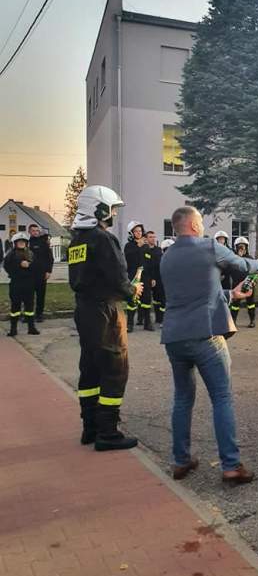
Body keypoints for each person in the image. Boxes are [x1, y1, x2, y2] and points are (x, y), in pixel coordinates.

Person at [161, 206, 258, 485]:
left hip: (174, 337)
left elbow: (192, 294)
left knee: (182, 399)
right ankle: (231, 465)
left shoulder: (167, 256)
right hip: (206, 336)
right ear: (194, 226)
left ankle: (181, 460)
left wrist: (230, 294)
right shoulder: (209, 246)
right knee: (221, 397)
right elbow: (243, 265)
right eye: (200, 223)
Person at [68, 185, 144, 451]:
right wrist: (133, 289)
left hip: (85, 310)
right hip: (105, 311)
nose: (112, 214)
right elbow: (117, 276)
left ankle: (90, 427)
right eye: (111, 209)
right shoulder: (103, 239)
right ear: (99, 209)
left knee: (89, 367)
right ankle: (108, 433)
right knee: (114, 368)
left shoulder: (76, 240)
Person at [3, 232, 40, 336]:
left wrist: (29, 266)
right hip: (16, 283)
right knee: (15, 307)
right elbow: (7, 267)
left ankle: (31, 328)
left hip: (29, 283)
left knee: (29, 307)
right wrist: (19, 265)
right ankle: (13, 329)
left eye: (23, 241)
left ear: (26, 243)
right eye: (19, 242)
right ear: (15, 243)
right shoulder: (11, 254)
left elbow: (36, 267)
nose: (21, 243)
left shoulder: (31, 254)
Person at [124, 221, 153, 332]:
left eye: (140, 231)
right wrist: (138, 247)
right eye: (136, 231)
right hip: (134, 276)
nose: (139, 233)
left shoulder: (146, 246)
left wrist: (151, 278)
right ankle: (130, 324)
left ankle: (147, 323)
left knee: (146, 301)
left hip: (145, 277)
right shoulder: (129, 246)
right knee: (133, 300)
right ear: (131, 233)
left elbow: (149, 262)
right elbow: (129, 259)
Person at [229, 236, 257, 328]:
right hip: (237, 284)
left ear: (246, 247)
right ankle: (233, 321)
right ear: (236, 247)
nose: (241, 248)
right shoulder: (233, 258)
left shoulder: (250, 258)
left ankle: (252, 321)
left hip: (248, 285)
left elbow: (256, 271)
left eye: (243, 246)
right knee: (235, 305)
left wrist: (253, 281)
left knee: (251, 304)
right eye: (239, 247)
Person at [28, 224, 54, 322]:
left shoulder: (44, 243)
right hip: (29, 274)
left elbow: (50, 258)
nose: (35, 232)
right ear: (29, 232)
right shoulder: (27, 243)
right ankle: (28, 315)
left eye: (37, 231)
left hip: (41, 274)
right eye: (33, 230)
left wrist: (48, 271)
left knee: (40, 296)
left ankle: (39, 315)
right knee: (28, 296)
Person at [144, 230, 163, 325]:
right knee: (145, 298)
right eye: (150, 237)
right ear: (146, 239)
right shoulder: (144, 250)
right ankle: (141, 318)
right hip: (147, 277)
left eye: (154, 237)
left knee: (158, 298)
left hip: (158, 277)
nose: (153, 239)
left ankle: (159, 318)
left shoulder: (158, 250)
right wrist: (151, 278)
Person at [156, 238, 174, 325]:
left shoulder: (176, 259)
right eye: (166, 249)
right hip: (163, 284)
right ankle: (163, 320)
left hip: (173, 284)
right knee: (163, 303)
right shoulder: (161, 259)